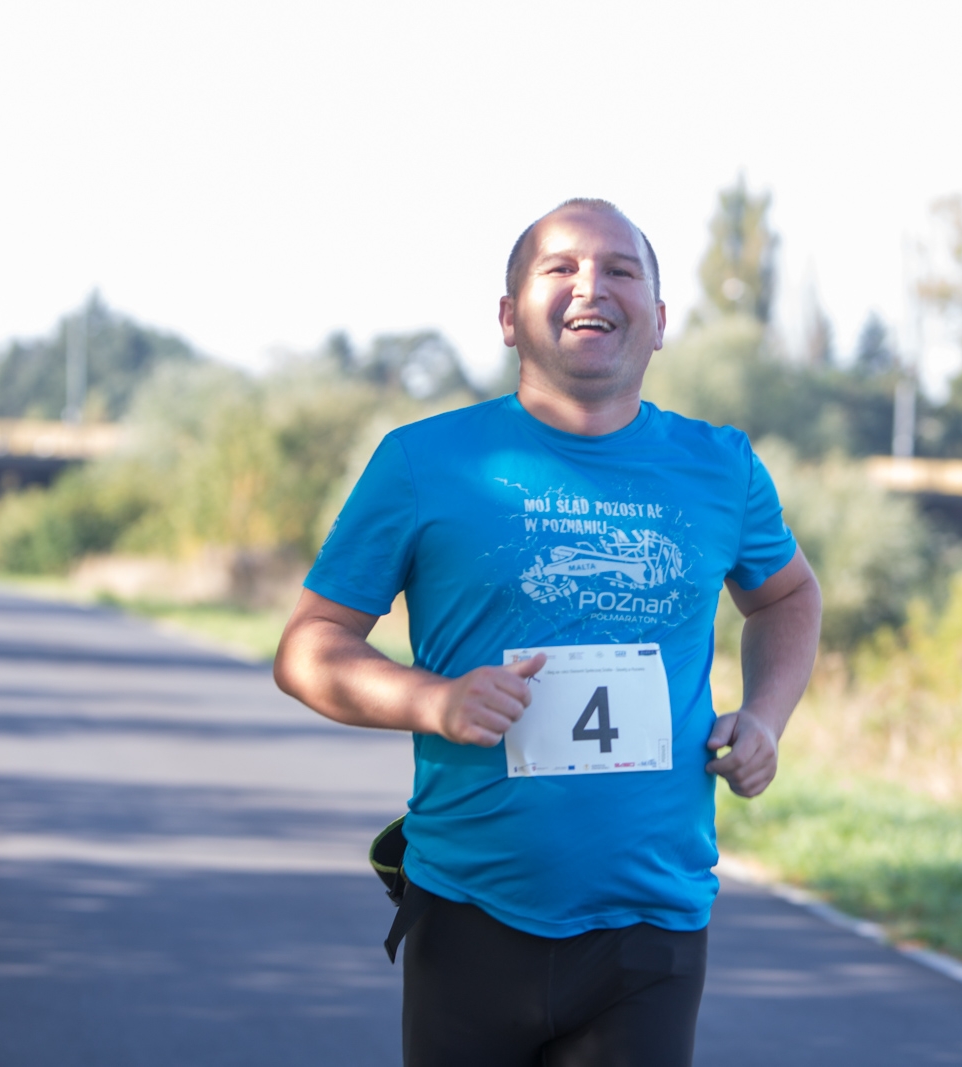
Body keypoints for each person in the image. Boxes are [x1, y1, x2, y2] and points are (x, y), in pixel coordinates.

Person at [274, 198, 822, 1066]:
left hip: (654, 922)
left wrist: (765, 718)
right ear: (507, 317)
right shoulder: (424, 461)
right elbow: (307, 648)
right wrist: (435, 700)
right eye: (558, 268)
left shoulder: (723, 465)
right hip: (472, 909)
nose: (588, 287)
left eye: (619, 269)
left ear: (661, 319)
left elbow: (788, 596)